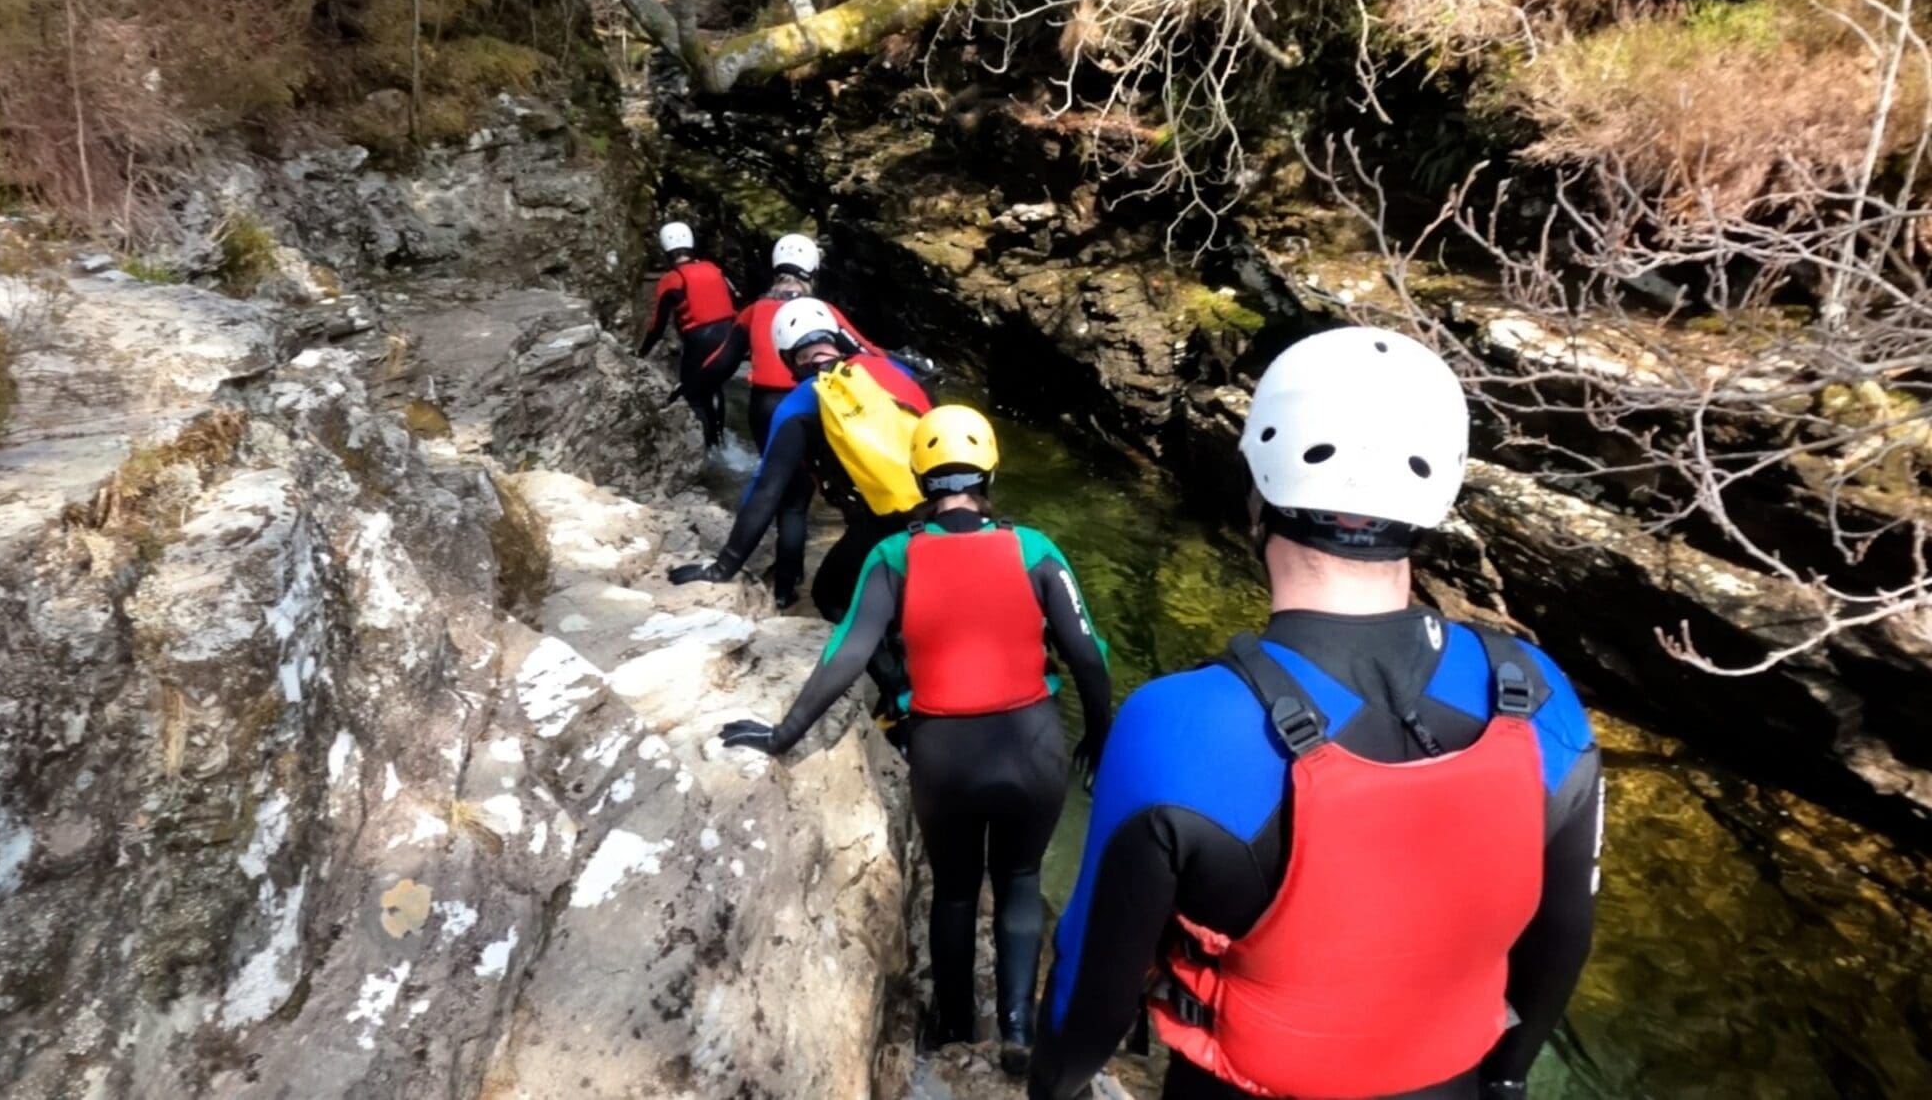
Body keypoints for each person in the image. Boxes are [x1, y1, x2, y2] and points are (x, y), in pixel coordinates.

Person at [1030, 327, 1602, 1100]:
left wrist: (1053, 1083)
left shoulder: (1178, 724)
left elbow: (1089, 991)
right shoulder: (1540, 691)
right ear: (1437, 499)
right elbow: (1562, 937)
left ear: (1257, 493)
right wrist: (1503, 1078)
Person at [719, 405, 1114, 1078]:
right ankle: (1018, 1024)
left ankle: (954, 1021)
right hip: (1034, 744)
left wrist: (783, 733)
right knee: (1019, 880)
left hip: (944, 754)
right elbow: (1086, 653)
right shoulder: (1037, 549)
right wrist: (1100, 736)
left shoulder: (893, 553)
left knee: (956, 889)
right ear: (990, 471)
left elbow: (848, 651)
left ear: (918, 476)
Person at [668, 297, 931, 616]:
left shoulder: (799, 403)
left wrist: (723, 567)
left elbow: (766, 491)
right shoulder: (895, 368)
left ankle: (885, 656)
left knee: (829, 595)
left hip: (885, 520)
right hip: (946, 504)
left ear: (787, 357)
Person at [732, 233, 888, 448]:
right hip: (810, 401)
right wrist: (906, 363)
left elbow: (720, 362)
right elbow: (867, 353)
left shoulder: (753, 311)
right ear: (813, 272)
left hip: (764, 407)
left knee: (776, 474)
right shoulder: (823, 312)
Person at [637, 220, 742, 450]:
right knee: (714, 386)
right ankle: (721, 441)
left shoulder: (671, 279)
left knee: (694, 395)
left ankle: (706, 449)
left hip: (701, 339)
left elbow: (657, 326)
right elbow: (734, 300)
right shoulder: (713, 269)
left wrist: (641, 352)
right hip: (730, 337)